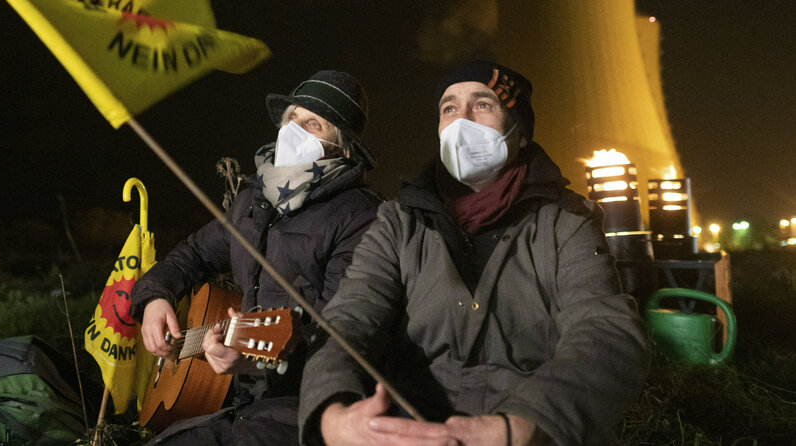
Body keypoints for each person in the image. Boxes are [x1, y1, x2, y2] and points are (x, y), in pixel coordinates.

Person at [299, 61, 650, 446]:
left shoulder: (566, 221)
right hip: (413, 429)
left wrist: (525, 426)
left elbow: (604, 330)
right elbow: (349, 319)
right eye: (448, 108)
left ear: (519, 134)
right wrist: (332, 416)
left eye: (482, 104)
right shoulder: (398, 223)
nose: (462, 120)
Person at [129, 70, 383, 445]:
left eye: (313, 124)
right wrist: (155, 296)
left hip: (304, 406)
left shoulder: (359, 217)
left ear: (344, 149)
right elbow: (194, 253)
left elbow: (346, 336)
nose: (293, 132)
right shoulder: (254, 199)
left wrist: (253, 360)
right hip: (241, 397)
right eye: (291, 119)